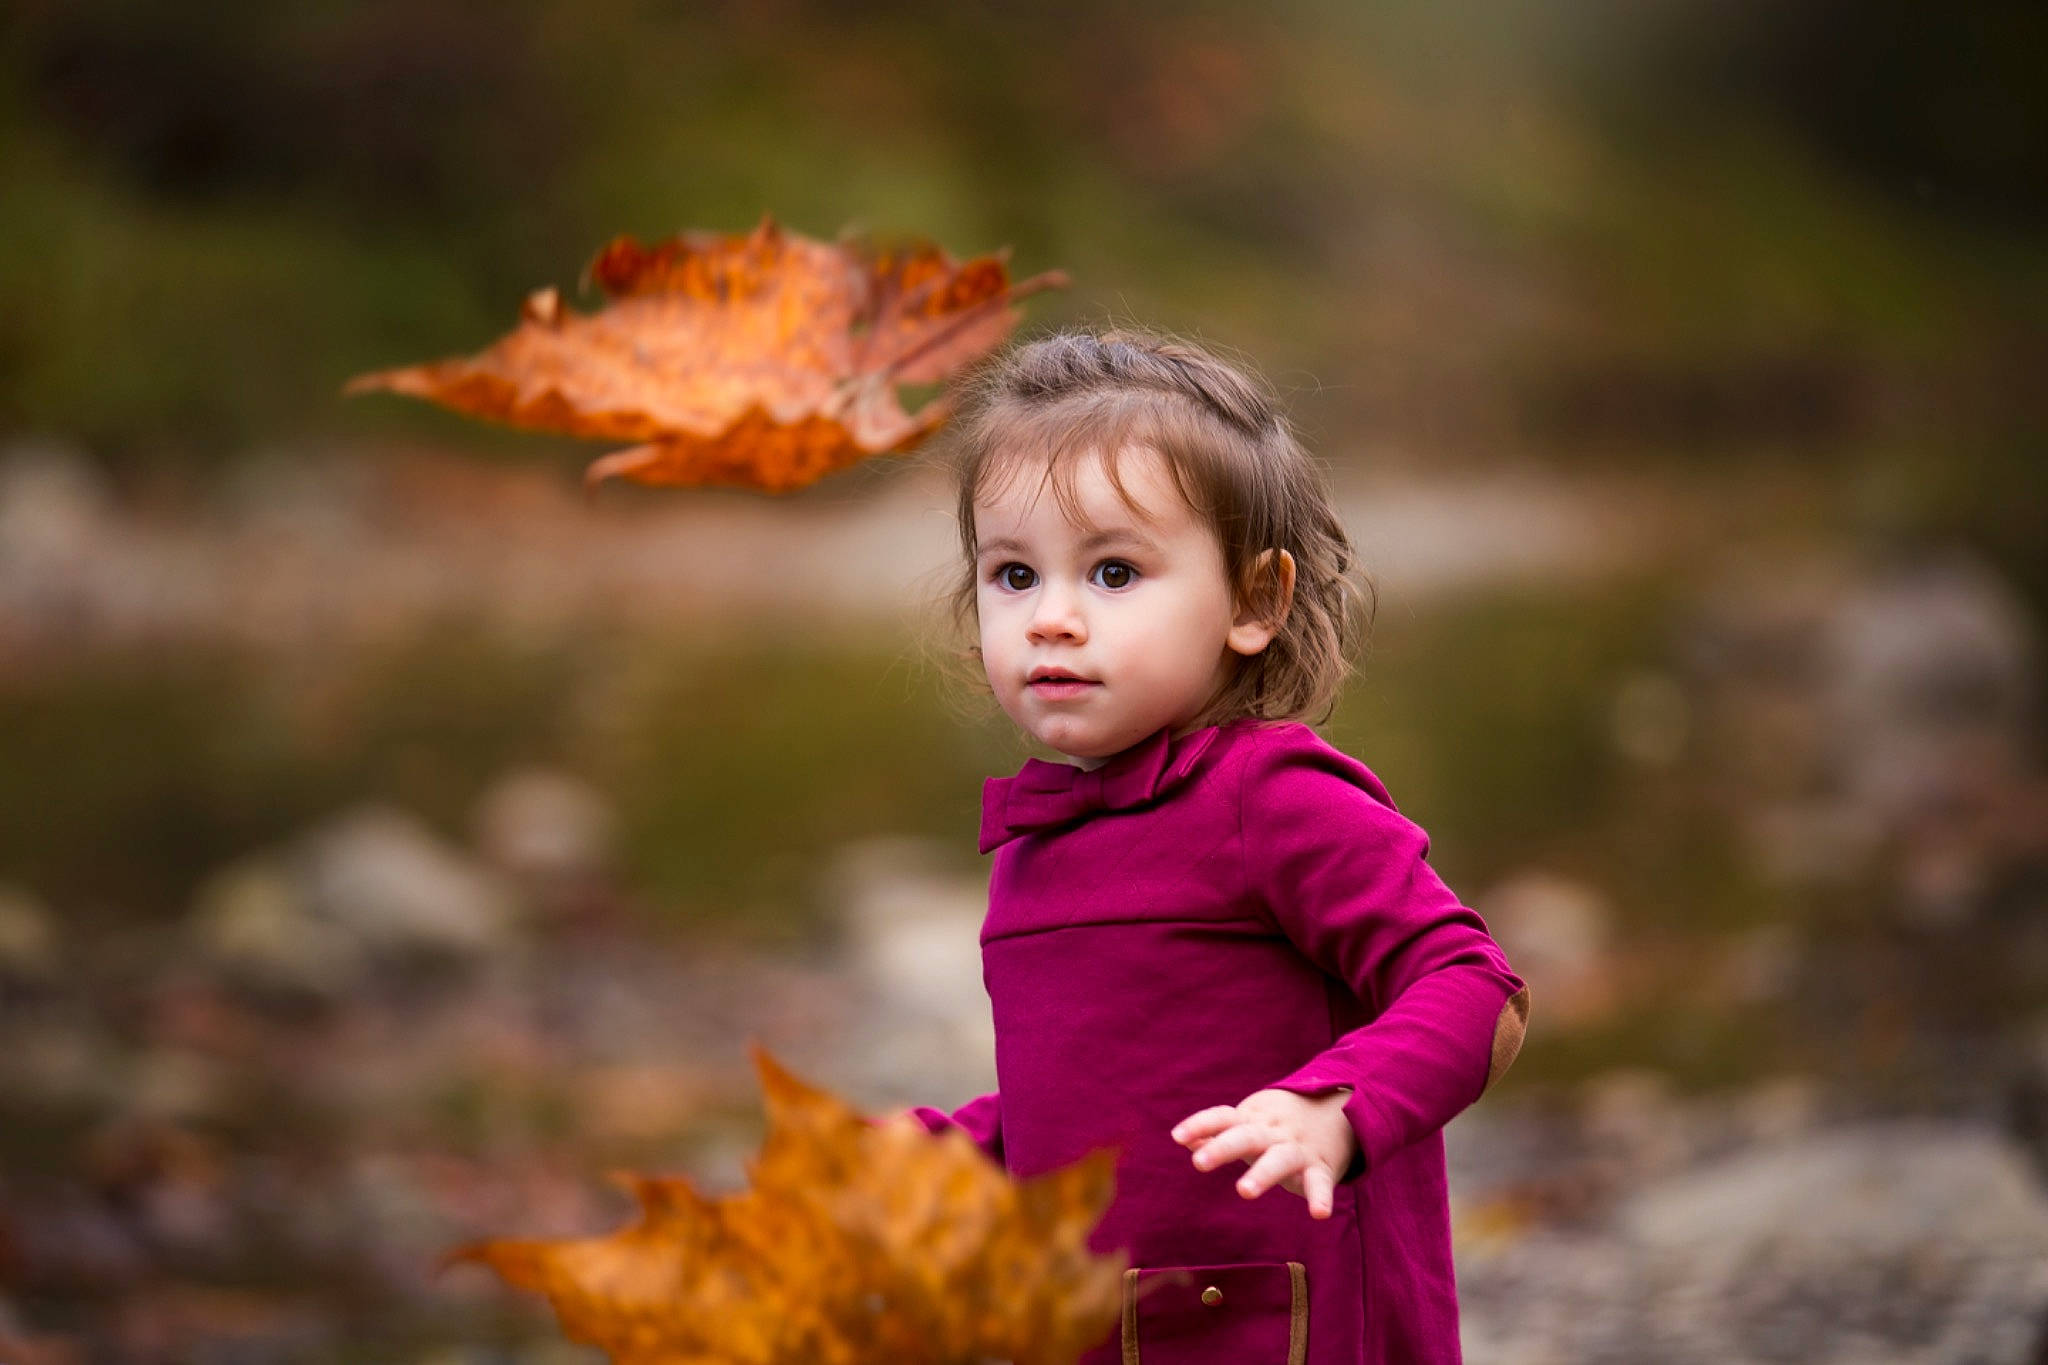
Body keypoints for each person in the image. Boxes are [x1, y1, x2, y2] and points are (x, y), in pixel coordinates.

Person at [906, 328, 1530, 1365]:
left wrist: (1335, 1105)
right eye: (1012, 575)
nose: (1050, 619)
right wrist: (946, 1157)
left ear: (1253, 601)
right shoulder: (1037, 842)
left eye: (1111, 572)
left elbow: (1472, 984)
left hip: (1291, 1321)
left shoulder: (1269, 797)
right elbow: (1086, 1103)